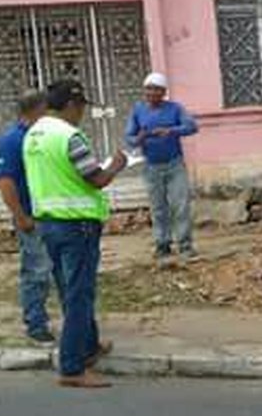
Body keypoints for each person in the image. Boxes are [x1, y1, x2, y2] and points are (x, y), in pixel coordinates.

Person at [24, 79, 127, 389]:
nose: (82, 114)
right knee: (80, 293)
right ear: (71, 105)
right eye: (81, 107)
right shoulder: (70, 136)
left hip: (49, 224)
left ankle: (89, 346)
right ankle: (71, 366)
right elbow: (95, 179)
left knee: (70, 288)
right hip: (77, 224)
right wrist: (117, 165)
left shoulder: (33, 134)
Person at [0, 90, 53, 345]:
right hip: (30, 215)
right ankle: (35, 323)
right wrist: (20, 216)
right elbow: (6, 182)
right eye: (46, 108)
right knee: (37, 270)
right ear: (37, 109)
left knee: (52, 271)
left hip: (51, 214)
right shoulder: (11, 141)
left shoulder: (41, 136)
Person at [123, 72, 199, 266]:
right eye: (148, 89)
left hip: (174, 164)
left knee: (180, 205)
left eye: (156, 89)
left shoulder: (175, 109)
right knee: (158, 208)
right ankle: (162, 244)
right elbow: (129, 138)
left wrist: (171, 130)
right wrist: (139, 138)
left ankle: (185, 245)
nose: (152, 93)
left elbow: (192, 126)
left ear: (164, 92)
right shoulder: (138, 111)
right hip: (151, 166)